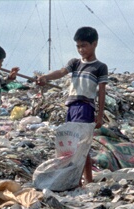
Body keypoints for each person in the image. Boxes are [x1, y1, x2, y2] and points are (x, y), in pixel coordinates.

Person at [37, 26, 108, 185]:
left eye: (84, 45)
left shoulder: (99, 67)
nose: (81, 50)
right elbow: (61, 72)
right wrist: (45, 77)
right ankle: (76, 180)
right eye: (78, 46)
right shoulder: (75, 63)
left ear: (94, 44)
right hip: (72, 107)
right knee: (71, 145)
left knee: (82, 147)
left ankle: (87, 180)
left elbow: (102, 92)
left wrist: (100, 115)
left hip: (85, 108)